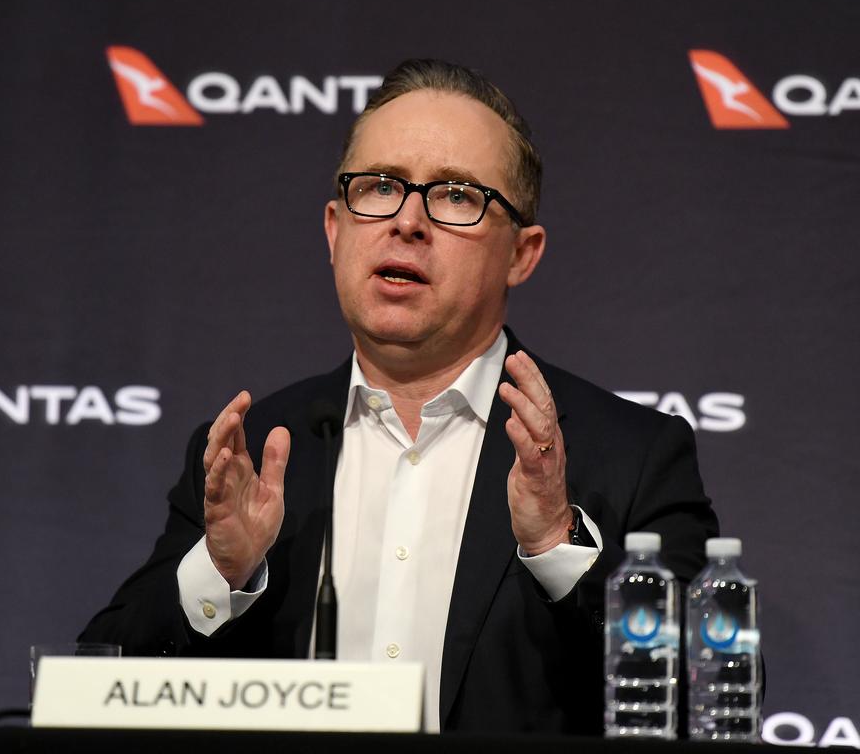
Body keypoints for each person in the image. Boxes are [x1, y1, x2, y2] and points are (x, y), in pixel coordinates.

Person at [81, 58, 718, 735]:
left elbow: (716, 693)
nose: (408, 221)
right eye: (380, 187)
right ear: (335, 230)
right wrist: (220, 571)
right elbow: (98, 671)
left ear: (522, 253)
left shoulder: (629, 453)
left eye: (455, 196)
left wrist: (559, 545)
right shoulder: (257, 450)